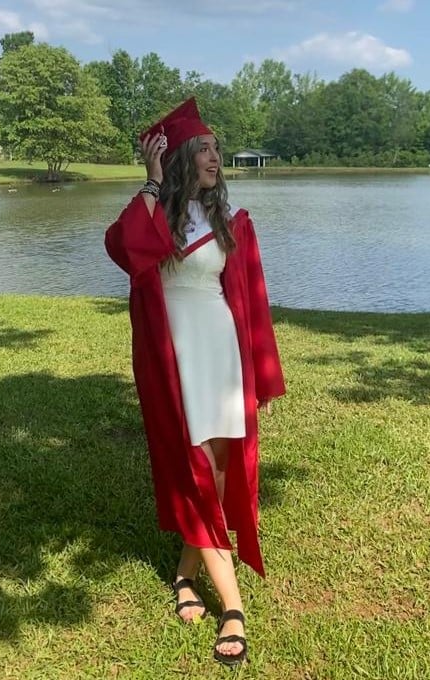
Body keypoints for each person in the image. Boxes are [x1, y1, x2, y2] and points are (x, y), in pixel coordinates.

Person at [104, 97, 285, 667]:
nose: (215, 157)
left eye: (217, 149)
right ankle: (233, 607)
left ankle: (185, 575)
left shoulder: (232, 223)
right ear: (180, 158)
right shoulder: (156, 218)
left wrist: (260, 376)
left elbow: (253, 302)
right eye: (203, 149)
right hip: (176, 352)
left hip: (222, 349)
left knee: (222, 465)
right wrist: (153, 184)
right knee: (199, 468)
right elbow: (124, 249)